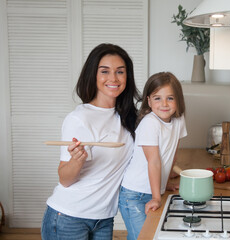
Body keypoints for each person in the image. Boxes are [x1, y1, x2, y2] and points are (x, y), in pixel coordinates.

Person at [41, 43, 140, 240]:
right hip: (69, 217)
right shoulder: (79, 118)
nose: (113, 78)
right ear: (93, 76)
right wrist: (76, 161)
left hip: (103, 218)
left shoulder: (128, 117)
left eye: (120, 72)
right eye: (105, 71)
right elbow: (65, 179)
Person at [119, 72, 187, 240]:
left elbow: (172, 153)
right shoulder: (150, 123)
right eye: (157, 98)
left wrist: (166, 181)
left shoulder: (179, 120)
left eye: (170, 98)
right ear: (148, 101)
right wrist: (157, 197)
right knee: (144, 238)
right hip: (135, 194)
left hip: (155, 188)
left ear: (179, 100)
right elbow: (154, 161)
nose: (164, 104)